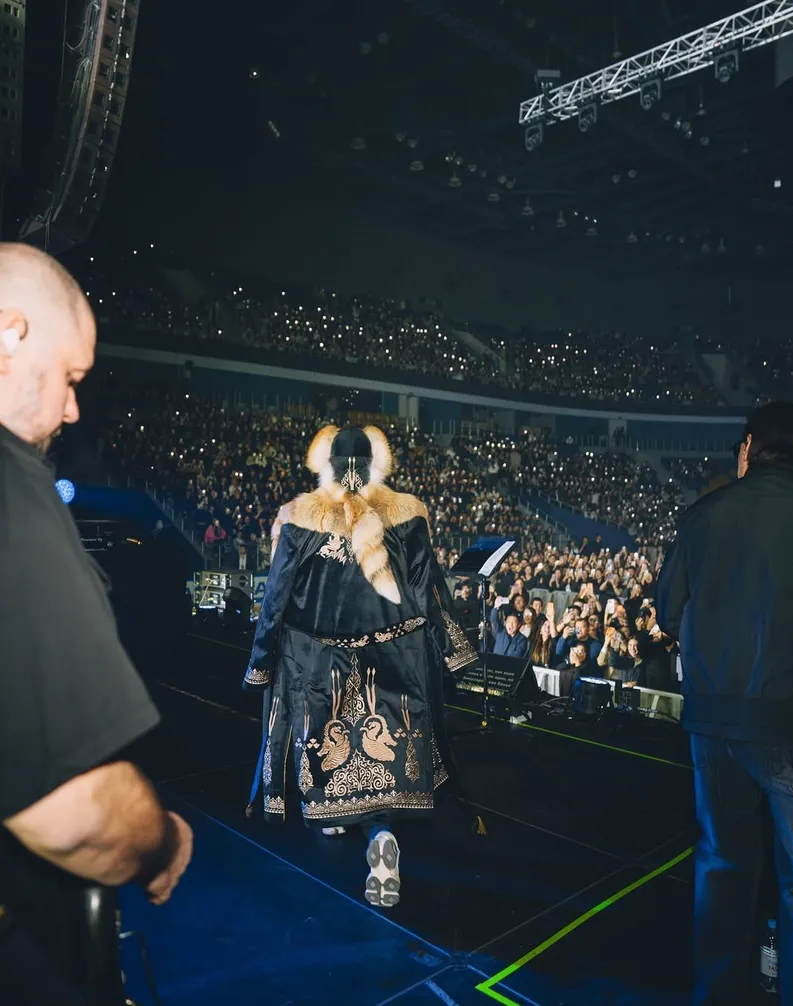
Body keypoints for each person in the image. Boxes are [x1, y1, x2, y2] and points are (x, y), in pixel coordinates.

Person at [0, 244, 193, 1005]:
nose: (73, 410)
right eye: (71, 378)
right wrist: (163, 841)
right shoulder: (12, 486)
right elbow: (73, 811)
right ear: (9, 334)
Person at [242, 424, 475, 908]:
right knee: (389, 762)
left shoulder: (299, 518)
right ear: (376, 465)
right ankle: (383, 835)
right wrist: (454, 650)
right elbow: (430, 590)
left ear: (325, 465)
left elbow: (276, 596)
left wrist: (260, 662)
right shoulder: (408, 514)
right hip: (396, 658)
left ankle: (341, 818)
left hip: (320, 664)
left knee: (331, 755)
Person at [656, 401, 793, 1006]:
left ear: (748, 449)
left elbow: (667, 613)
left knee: (723, 867)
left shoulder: (704, 515)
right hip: (789, 723)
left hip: (714, 723)